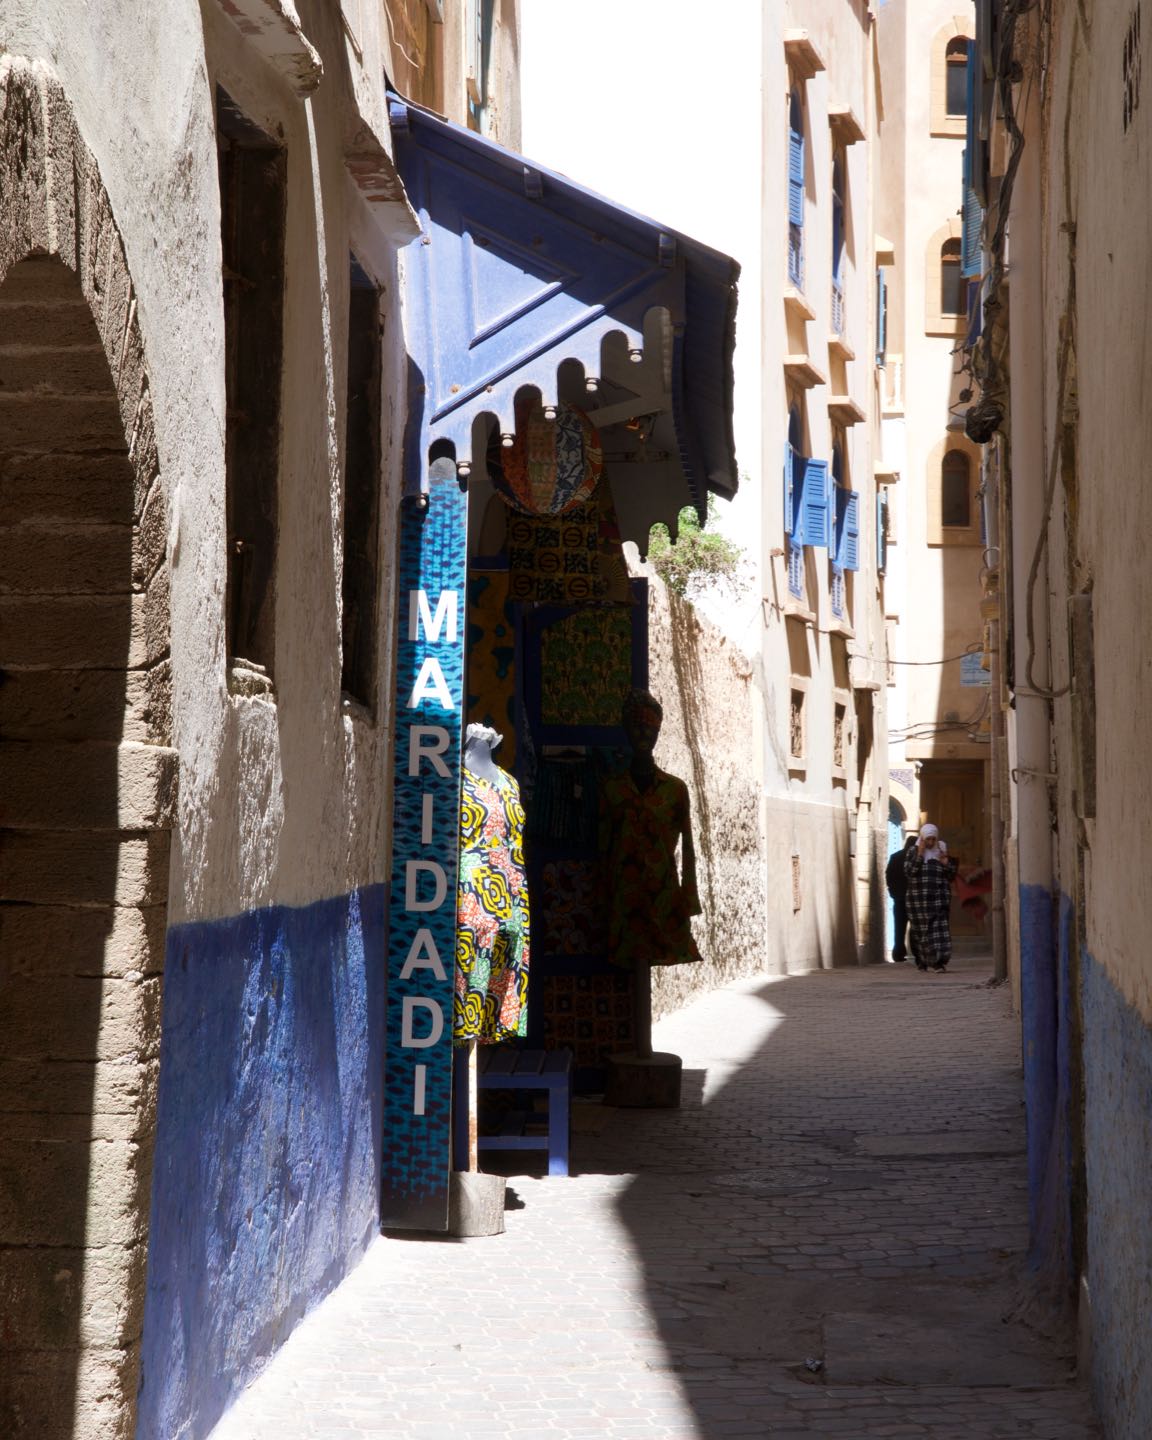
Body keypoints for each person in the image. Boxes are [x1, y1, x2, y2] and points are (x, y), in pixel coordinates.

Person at [904, 822, 959, 972]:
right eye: (928, 839)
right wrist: (920, 854)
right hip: (918, 900)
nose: (931, 843)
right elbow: (910, 872)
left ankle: (938, 962)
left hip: (939, 898)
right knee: (921, 931)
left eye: (933, 839)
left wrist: (946, 862)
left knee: (939, 930)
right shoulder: (913, 851)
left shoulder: (941, 850)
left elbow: (951, 875)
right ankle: (922, 960)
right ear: (922, 838)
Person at [885, 835, 920, 964]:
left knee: (899, 927)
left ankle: (898, 953)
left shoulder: (895, 857)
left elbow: (888, 875)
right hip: (914, 898)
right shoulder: (916, 859)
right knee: (915, 927)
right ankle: (917, 953)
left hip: (899, 898)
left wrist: (892, 892)